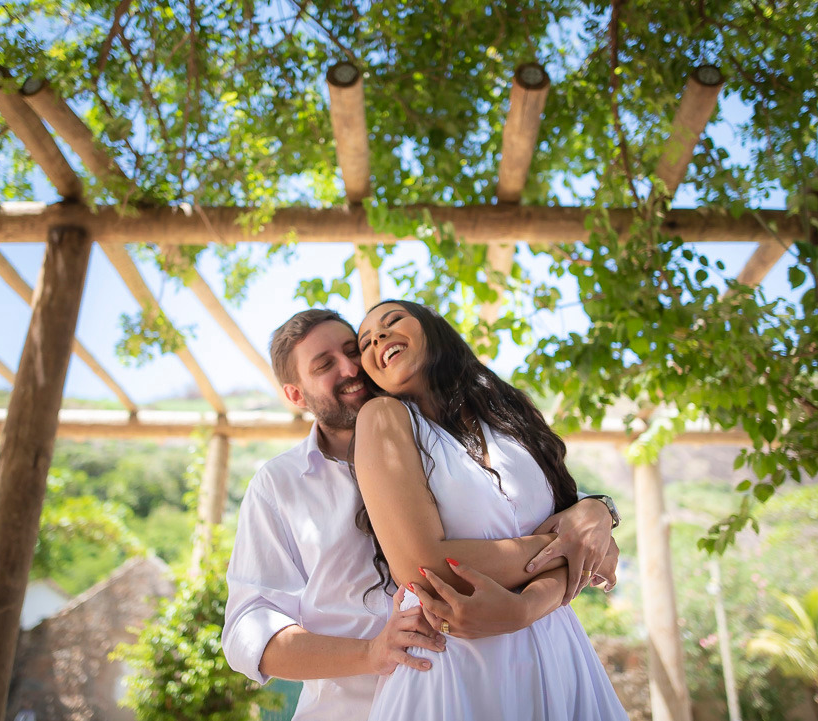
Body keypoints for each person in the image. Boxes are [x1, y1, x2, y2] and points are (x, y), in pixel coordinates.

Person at [223, 308, 620, 721]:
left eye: (350, 349)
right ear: (296, 396)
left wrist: (600, 509)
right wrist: (372, 653)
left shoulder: (443, 434)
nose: (350, 367)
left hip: (516, 671)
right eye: (325, 365)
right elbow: (247, 632)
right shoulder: (278, 485)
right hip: (365, 706)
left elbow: (545, 517)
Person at [354, 300, 628, 720]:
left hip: (559, 650)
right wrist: (572, 538)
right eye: (366, 341)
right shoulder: (383, 418)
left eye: (392, 322)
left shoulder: (506, 416)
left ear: (432, 329)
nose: (378, 338)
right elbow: (424, 568)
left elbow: (600, 554)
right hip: (456, 667)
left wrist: (529, 606)